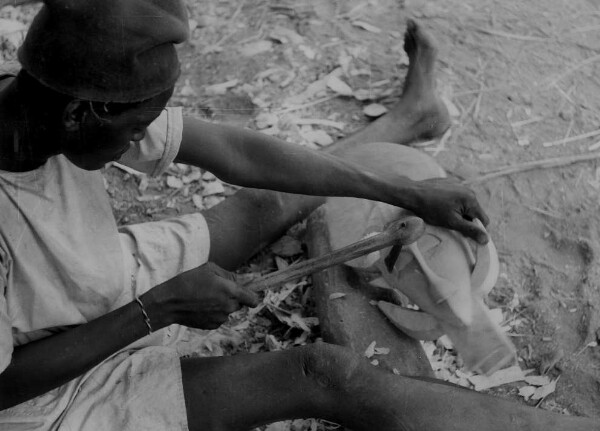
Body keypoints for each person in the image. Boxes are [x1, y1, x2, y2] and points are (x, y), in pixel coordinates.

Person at [0, 1, 596, 430]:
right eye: (133, 129)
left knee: (264, 202)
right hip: (45, 397)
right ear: (83, 113)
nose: (141, 139)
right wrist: (155, 310)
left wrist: (403, 193)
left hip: (94, 282)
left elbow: (238, 154)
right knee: (324, 374)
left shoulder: (43, 100)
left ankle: (409, 121)